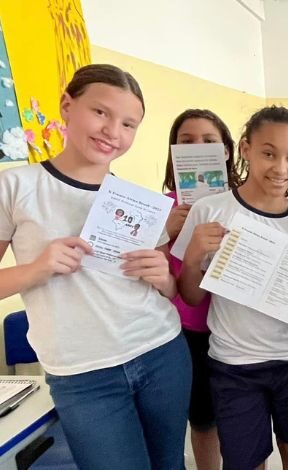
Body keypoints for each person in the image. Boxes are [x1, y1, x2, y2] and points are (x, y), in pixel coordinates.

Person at [0, 64, 190, 469]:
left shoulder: (135, 200)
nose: (112, 132)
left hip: (161, 354)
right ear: (67, 105)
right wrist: (38, 267)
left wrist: (164, 278)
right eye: (100, 112)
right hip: (82, 376)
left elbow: (169, 291)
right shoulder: (16, 188)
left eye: (128, 124)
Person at [176, 105, 288, 470]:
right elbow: (192, 296)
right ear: (245, 149)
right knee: (243, 460)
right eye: (268, 153)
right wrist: (194, 255)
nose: (280, 168)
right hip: (235, 364)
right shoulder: (210, 211)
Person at [162, 108, 241, 470]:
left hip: (235, 325)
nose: (198, 147)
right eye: (187, 141)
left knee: (240, 417)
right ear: (173, 151)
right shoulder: (163, 209)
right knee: (203, 418)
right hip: (186, 329)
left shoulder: (242, 202)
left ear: (226, 150)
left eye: (209, 141)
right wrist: (166, 232)